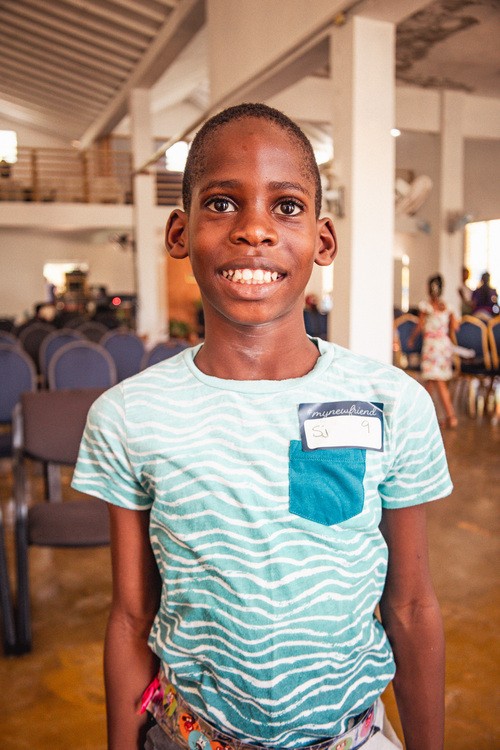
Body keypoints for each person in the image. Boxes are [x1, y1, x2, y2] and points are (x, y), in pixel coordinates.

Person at [72, 103, 452, 750]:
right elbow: (132, 616)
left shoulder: (392, 402)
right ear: (179, 232)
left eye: (286, 206)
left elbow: (412, 607)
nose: (254, 229)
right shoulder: (130, 415)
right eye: (222, 204)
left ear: (323, 241)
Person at [410, 274, 458, 429]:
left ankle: (449, 416)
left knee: (436, 381)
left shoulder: (426, 306)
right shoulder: (448, 307)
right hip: (443, 346)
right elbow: (454, 329)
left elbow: (419, 325)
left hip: (431, 346)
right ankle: (422, 415)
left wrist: (411, 339)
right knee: (431, 382)